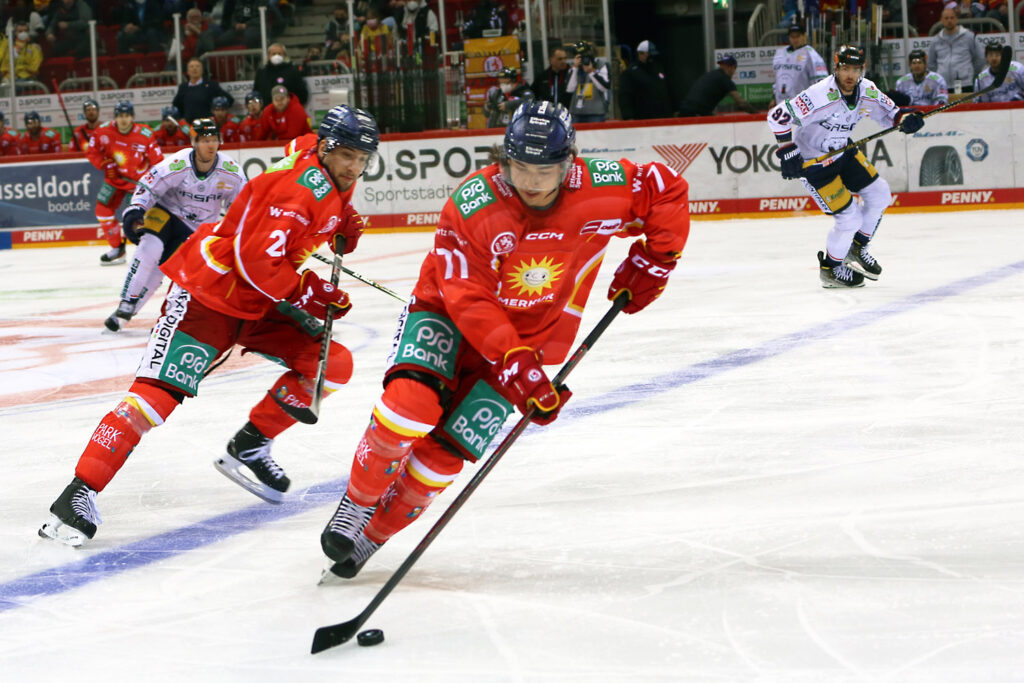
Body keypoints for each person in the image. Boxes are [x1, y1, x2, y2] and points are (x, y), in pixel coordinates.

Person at [318, 100, 691, 579]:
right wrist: (517, 365)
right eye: (520, 167)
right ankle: (358, 503)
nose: (532, 181)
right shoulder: (475, 203)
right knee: (405, 409)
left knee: (443, 456)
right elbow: (468, 297)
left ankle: (375, 534)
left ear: (568, 162)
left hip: (531, 337)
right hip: (447, 314)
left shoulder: (602, 186)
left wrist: (657, 258)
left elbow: (666, 190)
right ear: (504, 158)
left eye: (544, 169)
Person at [38, 105, 380, 547]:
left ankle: (251, 444)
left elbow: (299, 158)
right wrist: (307, 290)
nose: (355, 168)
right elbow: (255, 260)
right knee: (154, 399)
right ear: (328, 147)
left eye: (363, 158)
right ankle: (77, 494)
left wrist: (337, 221)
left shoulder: (321, 163)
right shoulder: (301, 189)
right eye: (348, 155)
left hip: (256, 301)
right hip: (208, 294)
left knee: (330, 362)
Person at [766, 45, 925, 289]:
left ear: (862, 69)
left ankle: (857, 247)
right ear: (835, 67)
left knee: (880, 193)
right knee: (848, 219)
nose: (850, 75)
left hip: (844, 152)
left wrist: (906, 119)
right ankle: (830, 269)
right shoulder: (819, 95)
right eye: (844, 68)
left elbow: (891, 114)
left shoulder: (867, 90)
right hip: (815, 164)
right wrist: (787, 150)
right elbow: (777, 116)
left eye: (855, 69)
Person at [103, 118, 247, 332]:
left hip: (196, 229)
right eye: (205, 139)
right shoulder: (177, 163)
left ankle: (128, 311)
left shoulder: (232, 173)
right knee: (149, 248)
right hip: (165, 212)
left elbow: (242, 208)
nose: (210, 145)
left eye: (214, 139)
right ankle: (127, 300)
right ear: (193, 142)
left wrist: (236, 235)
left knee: (164, 269)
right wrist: (135, 210)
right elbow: (149, 185)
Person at [86, 100, 164, 266]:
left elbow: (158, 161)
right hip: (115, 180)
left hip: (137, 185)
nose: (123, 119)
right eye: (120, 116)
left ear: (132, 117)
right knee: (102, 211)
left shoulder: (145, 133)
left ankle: (146, 254)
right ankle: (117, 249)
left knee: (136, 220)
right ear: (115, 117)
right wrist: (104, 163)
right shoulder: (103, 131)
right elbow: (92, 152)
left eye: (127, 115)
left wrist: (155, 182)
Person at [927, 7, 985, 92]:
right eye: (946, 18)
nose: (949, 21)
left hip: (965, 83)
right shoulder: (936, 40)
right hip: (943, 84)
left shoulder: (969, 36)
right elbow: (931, 63)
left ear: (957, 19)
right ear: (941, 21)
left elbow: (980, 58)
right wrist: (940, 75)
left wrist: (969, 73)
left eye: (952, 18)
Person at [679, 54, 757, 116]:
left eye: (724, 65)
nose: (722, 66)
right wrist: (757, 115)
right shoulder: (725, 80)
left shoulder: (712, 75)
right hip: (696, 113)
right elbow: (741, 103)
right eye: (722, 65)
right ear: (733, 68)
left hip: (685, 110)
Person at [770, 21, 827, 106]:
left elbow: (821, 81)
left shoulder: (811, 55)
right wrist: (774, 98)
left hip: (803, 105)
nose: (795, 39)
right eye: (792, 36)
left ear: (804, 36)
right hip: (781, 104)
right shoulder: (780, 53)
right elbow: (778, 79)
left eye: (798, 36)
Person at [618, 40, 674, 120]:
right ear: (640, 54)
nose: (651, 58)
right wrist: (628, 116)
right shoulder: (631, 72)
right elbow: (625, 96)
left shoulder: (658, 68)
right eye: (649, 55)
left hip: (662, 117)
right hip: (643, 117)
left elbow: (667, 89)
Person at [172, 58, 234, 123]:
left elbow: (229, 100)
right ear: (187, 71)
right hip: (189, 127)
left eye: (197, 66)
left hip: (208, 125)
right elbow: (176, 105)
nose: (194, 69)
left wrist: (218, 115)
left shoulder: (211, 86)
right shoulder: (183, 87)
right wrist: (182, 118)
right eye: (191, 67)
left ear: (202, 70)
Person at [566, 40, 611, 122]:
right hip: (577, 112)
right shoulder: (574, 68)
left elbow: (604, 87)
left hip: (596, 111)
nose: (582, 58)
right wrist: (575, 68)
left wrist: (591, 72)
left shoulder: (601, 65)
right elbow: (569, 89)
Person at [531, 45, 572, 110]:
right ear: (551, 60)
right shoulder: (543, 77)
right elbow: (533, 94)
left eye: (565, 58)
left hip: (566, 112)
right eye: (560, 59)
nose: (563, 61)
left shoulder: (571, 74)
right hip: (548, 113)